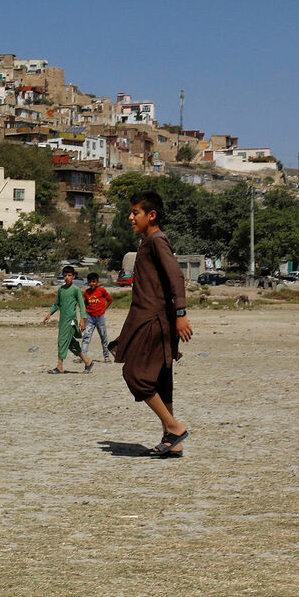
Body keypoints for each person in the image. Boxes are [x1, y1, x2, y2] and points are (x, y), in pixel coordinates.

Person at [109, 191, 193, 457]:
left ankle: (174, 427)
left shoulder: (157, 241)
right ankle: (173, 441)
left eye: (136, 212)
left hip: (155, 322)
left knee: (135, 375)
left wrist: (180, 313)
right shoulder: (147, 243)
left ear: (151, 215)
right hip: (148, 319)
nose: (130, 217)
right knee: (160, 380)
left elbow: (175, 278)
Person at [42, 265, 93, 374]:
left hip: (71, 321)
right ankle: (87, 361)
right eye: (65, 275)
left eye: (69, 275)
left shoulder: (75, 290)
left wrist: (83, 319)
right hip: (63, 320)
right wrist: (49, 314)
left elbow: (82, 305)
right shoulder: (61, 290)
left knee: (62, 340)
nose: (67, 277)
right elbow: (56, 304)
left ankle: (59, 366)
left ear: (73, 276)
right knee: (70, 343)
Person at [81, 272, 114, 362]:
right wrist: (83, 319)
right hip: (90, 317)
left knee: (103, 337)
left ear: (97, 282)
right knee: (86, 337)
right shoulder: (87, 292)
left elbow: (110, 299)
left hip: (100, 317)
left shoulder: (101, 290)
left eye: (93, 281)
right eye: (90, 282)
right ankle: (83, 356)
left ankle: (106, 356)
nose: (92, 284)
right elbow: (85, 305)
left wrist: (104, 309)